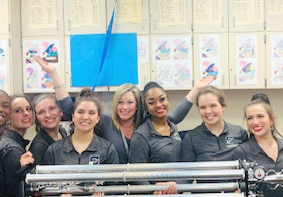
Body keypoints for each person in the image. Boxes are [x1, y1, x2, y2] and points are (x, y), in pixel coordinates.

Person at [35, 56, 214, 164]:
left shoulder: (145, 124)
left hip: (143, 190)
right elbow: (70, 108)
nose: (124, 107)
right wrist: (53, 74)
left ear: (138, 105)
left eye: (130, 103)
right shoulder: (104, 123)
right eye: (120, 102)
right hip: (115, 190)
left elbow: (174, 117)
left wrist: (196, 89)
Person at [43, 88, 119, 197]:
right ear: (73, 116)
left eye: (91, 113)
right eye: (81, 112)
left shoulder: (107, 149)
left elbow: (115, 187)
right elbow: (45, 187)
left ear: (98, 118)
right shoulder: (54, 150)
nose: (85, 117)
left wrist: (103, 195)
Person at [181, 86, 248, 197]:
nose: (208, 111)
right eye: (203, 107)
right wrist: (171, 187)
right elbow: (186, 176)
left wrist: (244, 191)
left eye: (213, 106)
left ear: (223, 107)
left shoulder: (240, 133)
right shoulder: (191, 137)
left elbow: (247, 170)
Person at [129, 82, 186, 197]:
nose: (159, 105)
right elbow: (137, 174)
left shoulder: (173, 128)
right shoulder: (141, 135)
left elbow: (180, 165)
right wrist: (154, 196)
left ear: (168, 99)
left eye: (162, 99)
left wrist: (179, 194)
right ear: (146, 107)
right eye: (152, 102)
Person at [231, 94, 283, 197]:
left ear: (272, 120)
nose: (255, 122)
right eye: (250, 118)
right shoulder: (242, 151)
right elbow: (236, 188)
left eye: (260, 116)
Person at [0, 95, 33, 197]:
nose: (26, 113)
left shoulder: (10, 140)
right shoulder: (12, 149)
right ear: (8, 117)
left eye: (28, 109)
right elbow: (15, 192)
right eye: (18, 111)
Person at [20, 93, 67, 166]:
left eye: (52, 108)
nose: (48, 115)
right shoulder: (39, 147)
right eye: (41, 112)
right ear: (36, 118)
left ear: (60, 111)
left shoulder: (62, 131)